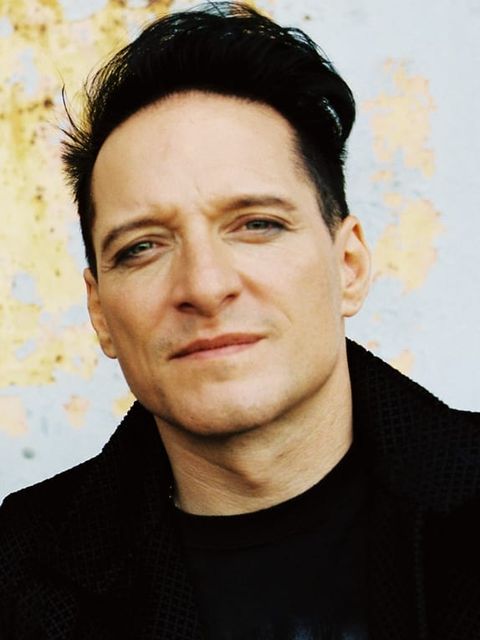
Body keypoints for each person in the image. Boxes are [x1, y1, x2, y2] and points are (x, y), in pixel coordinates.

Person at [1, 3, 479, 639]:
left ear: (349, 265)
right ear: (101, 314)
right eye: (142, 247)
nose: (204, 286)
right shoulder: (16, 579)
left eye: (257, 224)